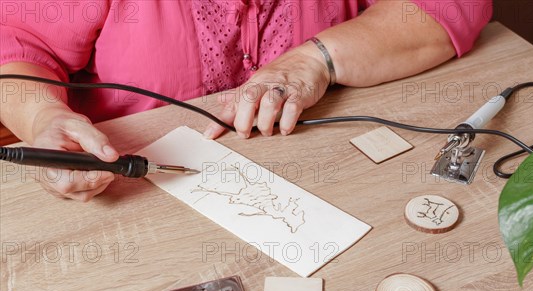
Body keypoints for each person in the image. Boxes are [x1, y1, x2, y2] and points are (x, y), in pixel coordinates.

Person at [0, 0, 491, 201]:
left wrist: (315, 61)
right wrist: (44, 114)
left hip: (327, 172)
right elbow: (15, 44)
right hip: (135, 184)